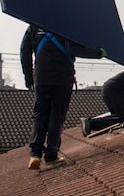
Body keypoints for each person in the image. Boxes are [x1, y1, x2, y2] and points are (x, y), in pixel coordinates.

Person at [20, 24, 106, 170]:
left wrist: (28, 75)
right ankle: (51, 156)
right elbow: (75, 49)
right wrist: (98, 53)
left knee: (40, 114)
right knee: (57, 115)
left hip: (41, 77)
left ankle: (35, 153)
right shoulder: (64, 24)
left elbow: (24, 50)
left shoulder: (34, 25)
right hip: (62, 78)